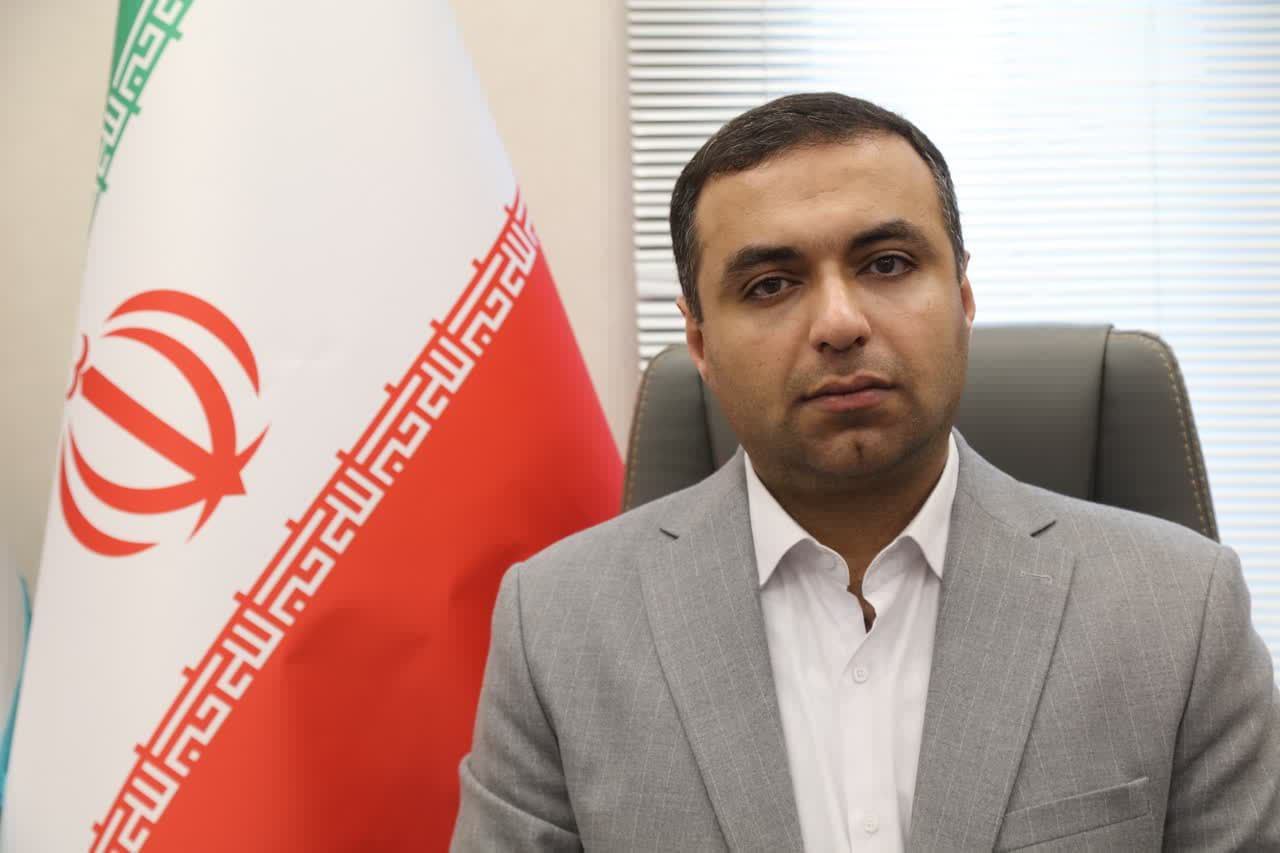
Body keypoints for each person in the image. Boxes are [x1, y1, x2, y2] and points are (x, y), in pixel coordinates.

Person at [451, 93, 1280, 852]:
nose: (840, 323)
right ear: (700, 342)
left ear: (963, 296)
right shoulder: (557, 628)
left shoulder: (1179, 613)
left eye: (886, 264)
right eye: (770, 284)